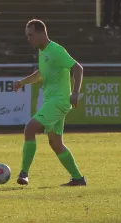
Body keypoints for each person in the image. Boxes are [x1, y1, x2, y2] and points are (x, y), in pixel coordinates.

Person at [13, 19, 86, 187]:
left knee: (30, 128)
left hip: (58, 101)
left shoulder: (56, 50)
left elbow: (78, 68)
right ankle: (78, 179)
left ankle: (24, 173)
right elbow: (40, 74)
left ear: (41, 33)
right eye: (27, 35)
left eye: (30, 35)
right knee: (56, 143)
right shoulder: (43, 52)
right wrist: (22, 82)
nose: (28, 39)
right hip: (52, 102)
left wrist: (75, 92)